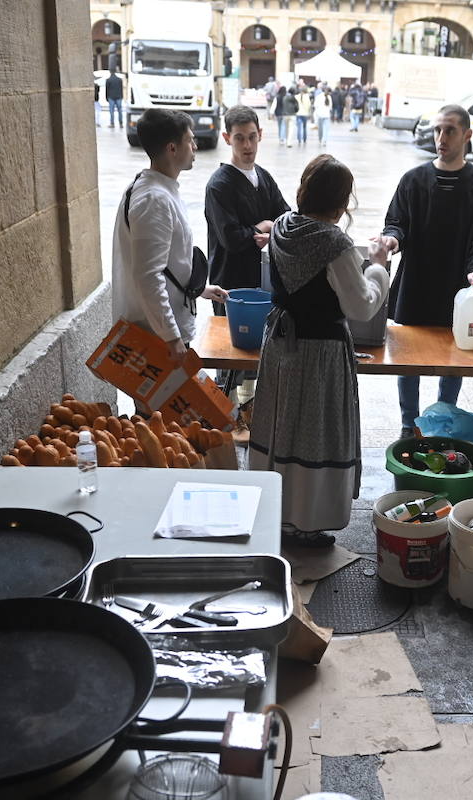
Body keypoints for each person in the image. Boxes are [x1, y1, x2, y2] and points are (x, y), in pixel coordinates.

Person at [251, 154, 390, 548]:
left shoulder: (282, 228)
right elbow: (361, 306)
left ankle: (278, 515)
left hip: (280, 345)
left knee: (281, 427)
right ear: (341, 201)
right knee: (313, 433)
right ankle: (307, 522)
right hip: (319, 353)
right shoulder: (335, 244)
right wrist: (378, 266)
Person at [375, 103, 473, 438]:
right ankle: (409, 426)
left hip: (457, 288)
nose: (441, 138)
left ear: (467, 135)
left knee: (453, 358)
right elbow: (396, 223)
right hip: (416, 283)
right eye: (437, 130)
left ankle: (444, 424)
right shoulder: (413, 180)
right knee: (408, 359)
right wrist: (391, 242)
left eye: (450, 130)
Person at [112, 109, 228, 363]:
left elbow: (165, 263)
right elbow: (148, 275)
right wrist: (172, 338)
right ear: (172, 148)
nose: (196, 146)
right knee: (157, 404)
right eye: (190, 140)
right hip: (156, 336)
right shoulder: (154, 200)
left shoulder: (156, 189)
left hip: (160, 329)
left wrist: (199, 290)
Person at [204, 105, 291, 394]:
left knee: (258, 351)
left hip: (261, 280)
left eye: (252, 137)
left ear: (261, 135)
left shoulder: (263, 177)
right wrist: (260, 229)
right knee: (230, 354)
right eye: (240, 138)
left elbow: (286, 216)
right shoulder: (220, 184)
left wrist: (270, 229)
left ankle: (249, 411)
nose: (247, 145)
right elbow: (230, 236)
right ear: (227, 138)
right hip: (229, 282)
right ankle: (226, 415)